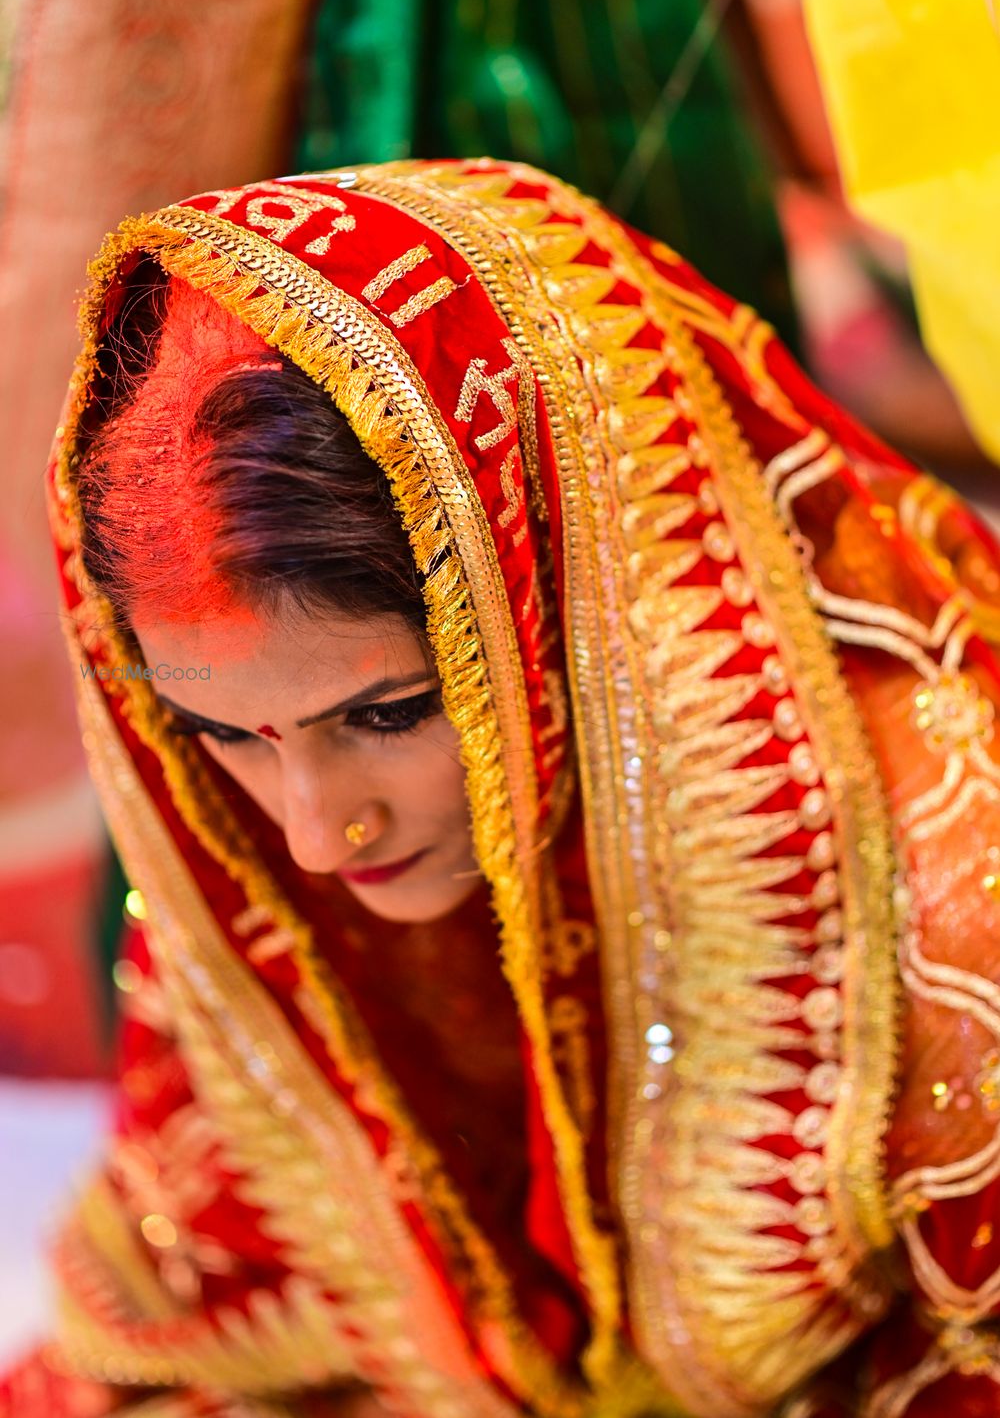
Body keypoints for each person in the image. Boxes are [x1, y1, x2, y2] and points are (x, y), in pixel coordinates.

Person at [4, 159, 1000, 1417]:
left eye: (385, 713)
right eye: (225, 735)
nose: (314, 836)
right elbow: (173, 1305)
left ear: (575, 594)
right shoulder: (251, 881)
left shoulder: (948, 879)